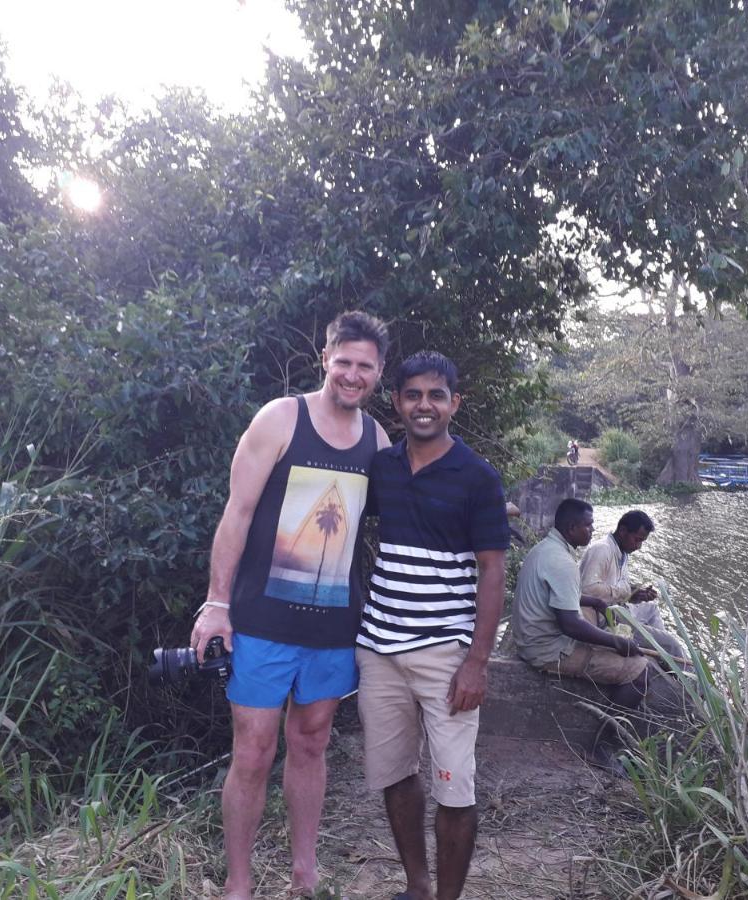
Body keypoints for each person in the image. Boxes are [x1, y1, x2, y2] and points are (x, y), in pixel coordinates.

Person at [190, 310, 391, 900]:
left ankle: (305, 873)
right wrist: (215, 603)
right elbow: (238, 513)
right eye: (344, 362)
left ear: (378, 373)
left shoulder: (376, 440)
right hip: (261, 619)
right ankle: (240, 883)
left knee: (312, 741)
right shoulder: (281, 419)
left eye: (366, 366)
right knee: (253, 749)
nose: (353, 375)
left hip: (333, 627)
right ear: (325, 359)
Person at [356, 351, 510, 900]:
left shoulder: (477, 478)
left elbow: (493, 570)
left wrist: (477, 660)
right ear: (396, 403)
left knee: (455, 789)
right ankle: (417, 886)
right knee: (395, 775)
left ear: (454, 404)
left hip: (446, 653)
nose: (425, 405)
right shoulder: (384, 469)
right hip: (378, 649)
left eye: (436, 395)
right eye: (414, 395)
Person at [512, 498, 692, 743]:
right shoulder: (563, 562)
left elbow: (562, 598)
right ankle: (600, 744)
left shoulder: (545, 549)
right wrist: (615, 642)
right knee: (641, 671)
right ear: (572, 527)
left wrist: (594, 602)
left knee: (608, 629)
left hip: (533, 637)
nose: (593, 529)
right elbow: (570, 625)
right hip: (547, 649)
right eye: (588, 525)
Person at [579, 509, 688, 663]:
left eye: (642, 541)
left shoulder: (622, 553)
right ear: (623, 531)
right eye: (637, 540)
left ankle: (661, 655)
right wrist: (626, 591)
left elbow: (616, 588)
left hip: (618, 609)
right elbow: (588, 590)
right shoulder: (602, 549)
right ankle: (688, 678)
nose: (639, 546)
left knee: (651, 608)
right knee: (671, 642)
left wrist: (634, 595)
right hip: (606, 617)